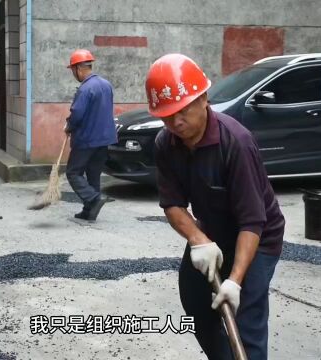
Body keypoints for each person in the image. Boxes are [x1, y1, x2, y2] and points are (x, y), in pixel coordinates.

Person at [147, 54, 285, 359]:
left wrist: (234, 282)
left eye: (182, 111)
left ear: (203, 99)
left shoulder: (236, 142)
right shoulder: (165, 143)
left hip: (258, 237)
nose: (175, 122)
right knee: (197, 301)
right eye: (167, 116)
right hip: (210, 231)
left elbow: (252, 221)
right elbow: (172, 203)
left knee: (244, 318)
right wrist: (198, 239)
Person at [64, 49, 117, 221]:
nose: (73, 74)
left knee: (73, 173)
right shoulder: (106, 84)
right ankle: (89, 211)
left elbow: (77, 113)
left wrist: (69, 126)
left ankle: (93, 199)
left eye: (73, 70)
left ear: (79, 68)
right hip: (104, 139)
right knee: (93, 174)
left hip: (87, 139)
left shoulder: (85, 89)